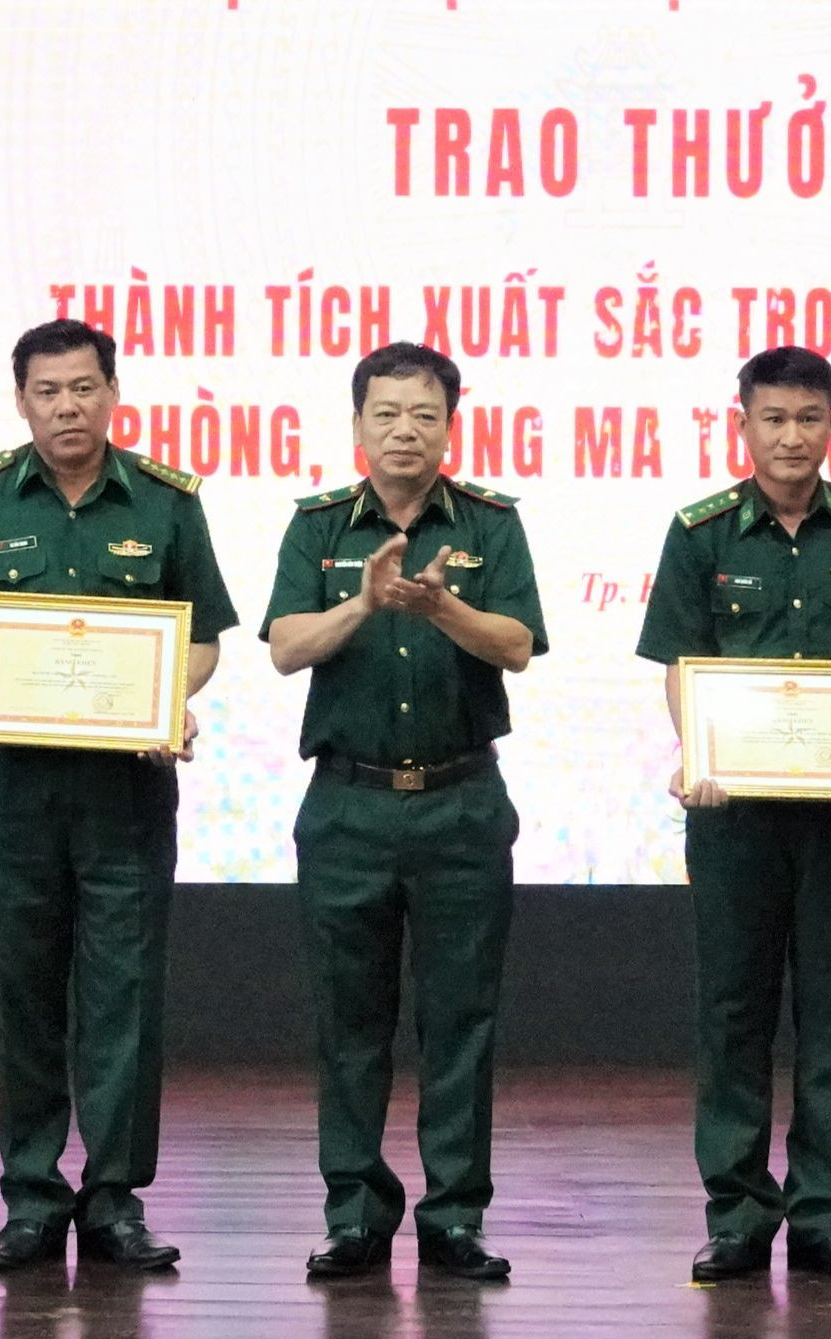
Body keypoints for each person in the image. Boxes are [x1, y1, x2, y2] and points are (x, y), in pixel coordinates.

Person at [0, 318, 237, 1272]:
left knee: (123, 993)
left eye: (84, 388)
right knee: (22, 988)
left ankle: (114, 1198)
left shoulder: (167, 502)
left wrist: (169, 699)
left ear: (113, 394)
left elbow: (204, 638)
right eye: (48, 391)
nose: (67, 407)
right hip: (14, 786)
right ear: (22, 401)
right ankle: (31, 1194)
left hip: (124, 788)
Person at [635, 345, 831, 1283]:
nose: (791, 436)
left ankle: (825, 1216)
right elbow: (683, 666)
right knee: (732, 1012)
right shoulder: (700, 534)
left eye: (809, 418)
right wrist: (698, 754)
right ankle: (737, 1214)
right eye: (773, 418)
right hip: (734, 818)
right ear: (742, 425)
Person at [261, 342, 545, 1281]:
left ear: (450, 426)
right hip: (349, 805)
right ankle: (354, 1214)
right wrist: (365, 602)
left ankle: (454, 1216)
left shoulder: (492, 524)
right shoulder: (316, 527)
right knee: (350, 1022)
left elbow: (516, 644)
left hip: (462, 804)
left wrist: (438, 608)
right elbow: (286, 648)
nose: (404, 431)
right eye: (385, 414)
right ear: (357, 426)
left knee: (461, 1020)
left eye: (424, 414)